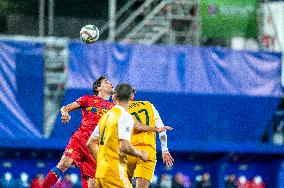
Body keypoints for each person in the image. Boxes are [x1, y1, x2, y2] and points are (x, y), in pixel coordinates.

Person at [41, 76, 115, 188]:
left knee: (92, 182)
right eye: (106, 82)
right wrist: (65, 113)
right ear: (99, 88)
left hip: (95, 147)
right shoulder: (87, 99)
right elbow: (65, 108)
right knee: (64, 163)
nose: (110, 83)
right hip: (80, 139)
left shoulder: (114, 108)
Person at [87, 83, 148, 188]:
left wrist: (104, 163)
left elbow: (90, 143)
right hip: (115, 174)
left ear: (114, 96)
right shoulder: (125, 117)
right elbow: (124, 146)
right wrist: (140, 154)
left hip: (101, 173)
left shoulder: (105, 116)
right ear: (132, 97)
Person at [126, 99, 174, 188]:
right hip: (147, 151)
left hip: (128, 150)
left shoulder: (118, 109)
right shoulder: (148, 105)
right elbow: (161, 128)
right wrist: (165, 150)